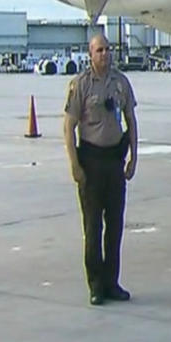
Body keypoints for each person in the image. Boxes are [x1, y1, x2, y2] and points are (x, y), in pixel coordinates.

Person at [63, 34, 138, 306]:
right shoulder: (81, 85)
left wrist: (133, 158)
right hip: (91, 162)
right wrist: (75, 165)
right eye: (99, 50)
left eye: (108, 50)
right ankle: (95, 284)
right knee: (93, 227)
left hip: (115, 161)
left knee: (115, 226)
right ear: (90, 54)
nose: (105, 54)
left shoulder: (121, 83)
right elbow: (68, 127)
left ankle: (111, 282)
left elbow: (131, 119)